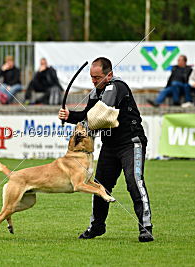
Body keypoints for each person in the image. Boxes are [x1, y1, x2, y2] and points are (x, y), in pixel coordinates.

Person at [58, 57, 154, 242]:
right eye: (92, 77)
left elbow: (99, 116)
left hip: (131, 143)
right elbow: (87, 115)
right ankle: (97, 227)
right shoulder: (97, 91)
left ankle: (146, 227)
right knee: (100, 186)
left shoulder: (116, 87)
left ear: (109, 75)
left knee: (134, 181)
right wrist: (70, 115)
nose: (94, 81)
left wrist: (76, 119)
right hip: (110, 145)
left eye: (98, 77)